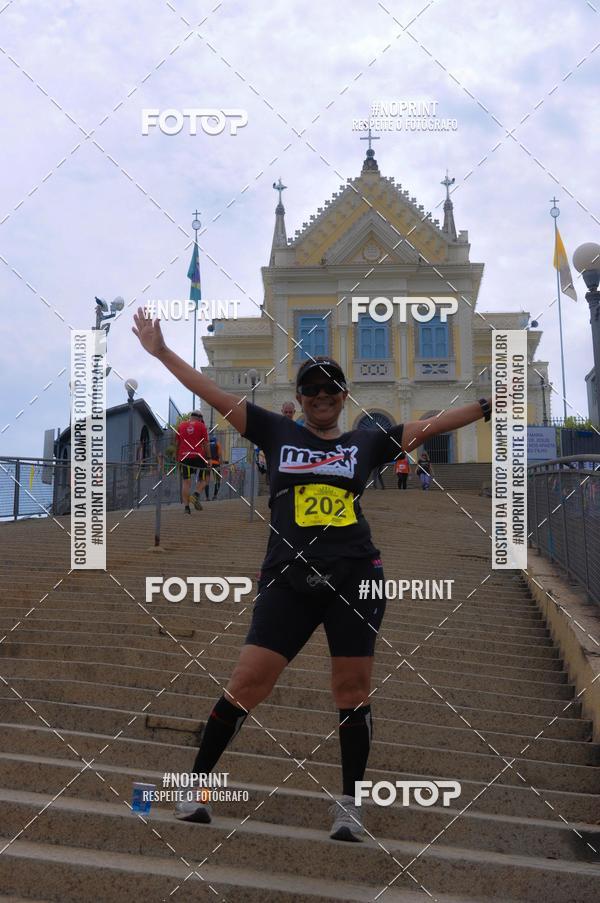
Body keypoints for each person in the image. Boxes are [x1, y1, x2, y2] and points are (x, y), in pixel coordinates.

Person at [132, 308, 492, 841]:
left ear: (343, 397)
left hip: (355, 577)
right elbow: (212, 393)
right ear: (299, 399)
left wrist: (489, 404)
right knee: (247, 683)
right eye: (311, 389)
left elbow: (432, 425)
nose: (321, 396)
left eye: (330, 389)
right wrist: (161, 353)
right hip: (287, 579)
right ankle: (195, 788)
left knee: (352, 689)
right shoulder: (275, 432)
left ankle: (350, 806)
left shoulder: (365, 444)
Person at [175, 411, 209, 513]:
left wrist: (177, 457)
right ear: (199, 418)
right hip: (198, 456)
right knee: (205, 479)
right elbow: (205, 443)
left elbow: (177, 443)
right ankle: (196, 494)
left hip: (184, 457)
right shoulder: (202, 426)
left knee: (186, 482)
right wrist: (209, 458)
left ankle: (186, 508)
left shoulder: (181, 426)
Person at [204, 435, 222, 500]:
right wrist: (221, 462)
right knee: (217, 480)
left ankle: (207, 497)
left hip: (208, 463)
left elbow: (204, 454)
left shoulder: (207, 444)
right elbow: (219, 454)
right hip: (216, 463)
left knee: (207, 481)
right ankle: (215, 496)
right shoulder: (217, 444)